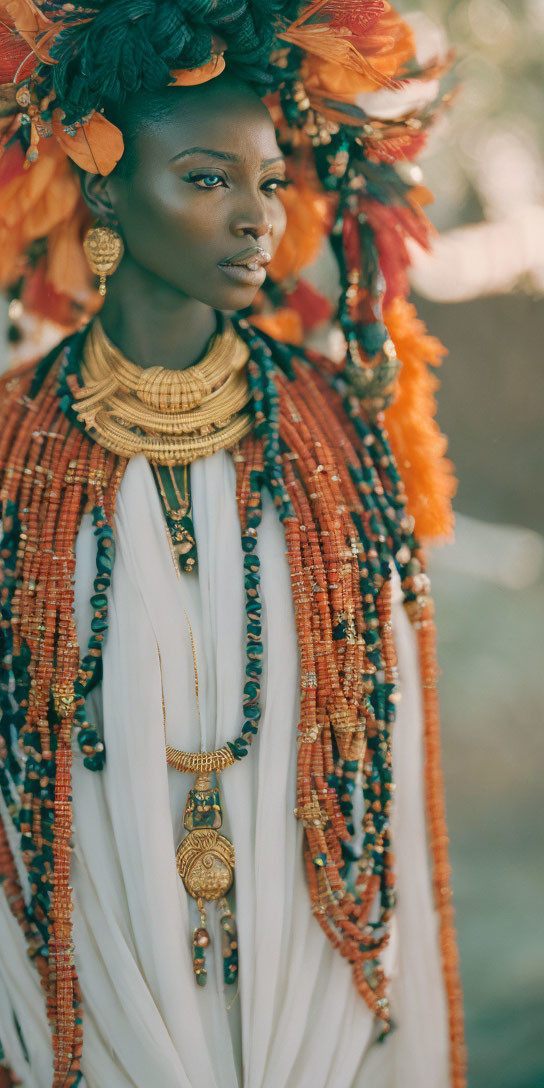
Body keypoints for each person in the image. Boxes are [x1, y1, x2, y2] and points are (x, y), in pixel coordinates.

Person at [0, 2, 465, 1086]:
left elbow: (383, 758)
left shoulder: (334, 435)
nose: (255, 218)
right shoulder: (13, 454)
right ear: (103, 185)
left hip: (317, 994)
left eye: (265, 181)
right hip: (84, 1009)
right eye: (207, 178)